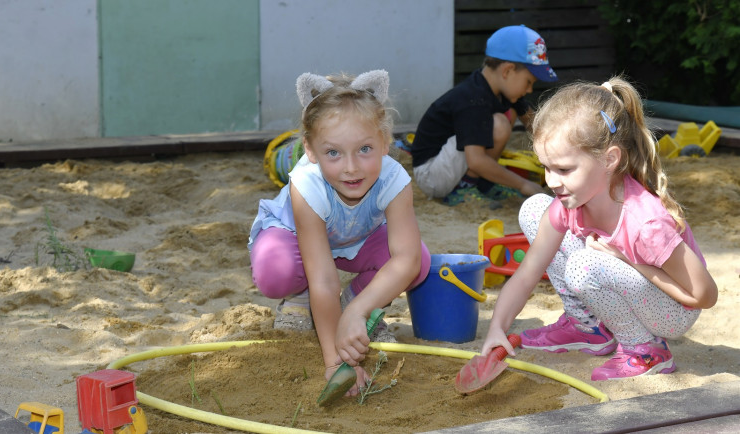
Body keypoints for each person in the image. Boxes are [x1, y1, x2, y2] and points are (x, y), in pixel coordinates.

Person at [480, 76, 718, 380]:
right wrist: (497, 329)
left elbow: (704, 296)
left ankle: (645, 350)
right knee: (535, 208)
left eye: (564, 169)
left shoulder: (645, 224)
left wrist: (625, 258)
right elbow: (527, 273)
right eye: (546, 167)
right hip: (627, 278)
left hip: (673, 309)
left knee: (584, 266)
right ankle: (588, 327)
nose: (552, 181)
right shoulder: (570, 202)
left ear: (609, 159)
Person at [248, 70, 431, 396]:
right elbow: (324, 278)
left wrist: (356, 312)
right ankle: (299, 301)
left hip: (356, 240)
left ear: (386, 143)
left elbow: (406, 258)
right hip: (298, 243)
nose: (351, 167)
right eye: (333, 152)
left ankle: (356, 303)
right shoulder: (306, 184)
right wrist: (335, 361)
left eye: (364, 149)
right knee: (275, 269)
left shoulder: (394, 179)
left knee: (419, 262)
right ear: (311, 150)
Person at [410, 25, 557, 207]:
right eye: (528, 82)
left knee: (509, 113)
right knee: (499, 123)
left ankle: (481, 183)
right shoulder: (473, 98)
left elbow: (533, 123)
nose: (529, 90)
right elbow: (476, 160)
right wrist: (524, 184)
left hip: (448, 164)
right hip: (431, 174)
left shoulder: (499, 90)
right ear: (507, 71)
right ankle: (466, 187)